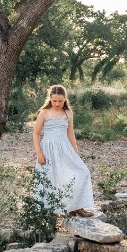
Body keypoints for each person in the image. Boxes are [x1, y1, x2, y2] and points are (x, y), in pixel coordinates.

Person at [32, 85, 95, 217]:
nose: (57, 103)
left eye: (60, 101)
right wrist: (39, 153)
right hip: (48, 149)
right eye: (54, 101)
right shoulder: (44, 113)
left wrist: (75, 152)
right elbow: (36, 134)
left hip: (65, 148)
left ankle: (76, 206)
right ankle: (50, 214)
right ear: (50, 99)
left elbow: (70, 133)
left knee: (82, 172)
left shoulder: (68, 113)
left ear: (65, 99)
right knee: (51, 178)